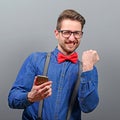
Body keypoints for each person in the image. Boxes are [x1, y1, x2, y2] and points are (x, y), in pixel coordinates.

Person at [8, 9, 100, 120]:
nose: (72, 38)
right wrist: (30, 97)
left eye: (76, 33)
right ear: (56, 33)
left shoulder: (87, 69)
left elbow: (88, 107)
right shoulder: (35, 60)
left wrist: (88, 68)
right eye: (66, 32)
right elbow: (12, 100)